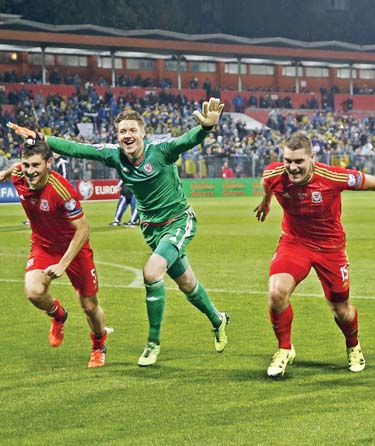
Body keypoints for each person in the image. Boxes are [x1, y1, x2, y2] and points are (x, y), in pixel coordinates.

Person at [9, 97, 230, 367]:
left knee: (152, 272)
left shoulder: (160, 151)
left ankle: (152, 344)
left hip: (177, 221)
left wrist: (205, 129)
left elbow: (185, 141)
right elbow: (78, 149)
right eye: (122, 131)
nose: (127, 135)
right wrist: (42, 139)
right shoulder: (114, 155)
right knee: (187, 284)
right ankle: (218, 320)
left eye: (132, 130)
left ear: (143, 133)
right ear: (118, 135)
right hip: (151, 229)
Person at [255, 131, 375, 378]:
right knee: (276, 292)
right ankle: (284, 349)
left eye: (298, 162)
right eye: (288, 161)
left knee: (341, 310)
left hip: (330, 249)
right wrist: (267, 201)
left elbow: (374, 182)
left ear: (312, 158)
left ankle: (353, 346)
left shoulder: (332, 176)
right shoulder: (274, 174)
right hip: (294, 243)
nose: (292, 168)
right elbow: (266, 183)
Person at [0, 139, 110, 368]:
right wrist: (5, 172)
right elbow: (16, 169)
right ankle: (58, 315)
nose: (30, 172)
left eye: (36, 166)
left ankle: (99, 344)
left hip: (74, 248)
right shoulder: (20, 174)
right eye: (27, 165)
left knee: (89, 305)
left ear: (49, 163)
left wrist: (62, 264)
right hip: (43, 245)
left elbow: (83, 229)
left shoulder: (61, 190)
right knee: (34, 292)